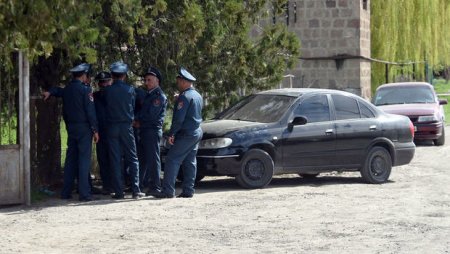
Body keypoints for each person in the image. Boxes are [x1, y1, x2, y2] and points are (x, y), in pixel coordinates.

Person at [43, 63, 99, 202]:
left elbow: (57, 90)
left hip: (71, 128)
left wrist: (49, 91)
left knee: (70, 160)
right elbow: (90, 112)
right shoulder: (86, 90)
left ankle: (66, 192)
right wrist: (96, 130)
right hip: (84, 129)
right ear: (84, 75)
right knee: (84, 160)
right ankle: (84, 193)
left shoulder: (67, 89)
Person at [152, 67, 203, 199]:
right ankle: (188, 190)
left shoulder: (184, 97)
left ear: (184, 82)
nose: (177, 83)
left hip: (186, 133)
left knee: (172, 159)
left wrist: (172, 134)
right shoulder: (197, 95)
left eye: (179, 80)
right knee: (190, 161)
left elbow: (179, 120)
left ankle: (168, 191)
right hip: (196, 131)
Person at [104, 61, 145, 199]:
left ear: (112, 76)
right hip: (126, 126)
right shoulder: (130, 90)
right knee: (132, 157)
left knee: (115, 159)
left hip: (112, 127)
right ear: (124, 75)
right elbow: (133, 106)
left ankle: (119, 191)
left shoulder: (107, 91)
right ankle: (135, 189)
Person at [134, 66, 167, 195]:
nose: (146, 83)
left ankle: (156, 187)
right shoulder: (149, 95)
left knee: (153, 159)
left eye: (149, 80)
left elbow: (151, 115)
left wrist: (137, 120)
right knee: (142, 159)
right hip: (144, 130)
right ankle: (140, 185)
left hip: (152, 131)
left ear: (157, 81)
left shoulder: (159, 96)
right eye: (145, 80)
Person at [93, 71, 113, 195]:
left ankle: (116, 184)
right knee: (103, 159)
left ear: (110, 81)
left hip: (113, 131)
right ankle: (107, 185)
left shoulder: (115, 95)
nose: (104, 85)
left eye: (106, 82)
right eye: (101, 83)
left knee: (114, 159)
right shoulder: (95, 96)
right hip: (100, 132)